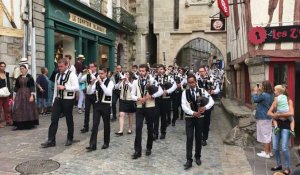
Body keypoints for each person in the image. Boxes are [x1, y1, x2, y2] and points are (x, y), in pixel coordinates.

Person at [41, 58, 79, 148]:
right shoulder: (57, 75)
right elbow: (55, 89)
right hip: (58, 99)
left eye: (61, 66)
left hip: (68, 99)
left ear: (66, 65)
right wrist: (54, 100)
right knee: (54, 119)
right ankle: (51, 140)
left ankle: (70, 138)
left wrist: (65, 88)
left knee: (69, 119)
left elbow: (76, 87)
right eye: (59, 67)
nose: (60, 68)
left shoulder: (72, 75)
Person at [181, 74, 214, 170]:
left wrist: (205, 107)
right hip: (189, 118)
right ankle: (188, 159)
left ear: (196, 82)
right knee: (189, 138)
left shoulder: (202, 91)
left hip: (200, 118)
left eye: (192, 82)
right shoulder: (185, 93)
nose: (191, 84)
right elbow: (184, 106)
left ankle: (198, 156)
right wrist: (193, 113)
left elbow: (211, 101)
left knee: (198, 137)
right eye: (189, 82)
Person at [130, 64, 163, 159]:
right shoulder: (135, 82)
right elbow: (131, 95)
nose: (141, 72)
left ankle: (149, 147)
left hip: (150, 107)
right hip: (140, 107)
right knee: (138, 128)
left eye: (143, 71)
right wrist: (138, 98)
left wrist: (152, 96)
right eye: (140, 71)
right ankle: (137, 151)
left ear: (147, 71)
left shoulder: (152, 80)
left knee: (150, 128)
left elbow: (160, 91)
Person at [86, 67, 114, 151]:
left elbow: (108, 93)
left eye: (102, 73)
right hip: (97, 105)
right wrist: (91, 84)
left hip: (106, 105)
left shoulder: (110, 82)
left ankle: (106, 142)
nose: (100, 75)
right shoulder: (97, 82)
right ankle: (92, 145)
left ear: (106, 73)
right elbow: (89, 92)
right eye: (99, 73)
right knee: (95, 124)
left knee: (106, 125)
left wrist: (101, 83)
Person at [268, 89, 294, 175]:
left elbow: (291, 113)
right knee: (275, 147)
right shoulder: (275, 100)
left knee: (284, 147)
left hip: (286, 125)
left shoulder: (289, 101)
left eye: (275, 91)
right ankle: (279, 165)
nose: (274, 92)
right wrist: (274, 115)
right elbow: (269, 112)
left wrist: (279, 115)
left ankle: (287, 167)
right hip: (277, 126)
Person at [196, 66, 219, 146]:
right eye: (199, 71)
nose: (201, 73)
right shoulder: (197, 80)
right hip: (199, 103)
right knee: (199, 120)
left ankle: (204, 138)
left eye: (202, 71)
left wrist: (213, 91)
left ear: (206, 71)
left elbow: (217, 89)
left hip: (208, 103)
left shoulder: (212, 78)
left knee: (206, 122)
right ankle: (199, 135)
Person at [252, 80, 274, 159]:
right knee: (268, 135)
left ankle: (266, 153)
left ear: (264, 87)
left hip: (263, 116)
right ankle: (269, 151)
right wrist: (260, 91)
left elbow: (255, 100)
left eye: (261, 85)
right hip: (268, 116)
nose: (260, 87)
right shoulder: (271, 94)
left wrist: (255, 92)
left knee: (265, 135)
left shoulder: (264, 95)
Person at [12, 64, 39, 130]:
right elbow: (16, 87)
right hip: (20, 95)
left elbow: (32, 86)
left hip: (28, 94)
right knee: (18, 108)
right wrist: (14, 95)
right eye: (21, 69)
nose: (22, 70)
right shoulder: (19, 77)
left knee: (28, 109)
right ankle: (19, 125)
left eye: (23, 68)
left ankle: (29, 124)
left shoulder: (30, 77)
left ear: (26, 69)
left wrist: (32, 96)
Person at [154, 64, 177, 140]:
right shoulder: (155, 78)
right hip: (157, 99)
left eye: (161, 69)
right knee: (156, 116)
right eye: (159, 69)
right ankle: (155, 133)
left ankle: (163, 132)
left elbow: (175, 86)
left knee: (164, 116)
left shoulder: (169, 77)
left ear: (164, 70)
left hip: (165, 99)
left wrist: (167, 91)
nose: (160, 71)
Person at [115, 71, 135, 136]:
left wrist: (128, 81)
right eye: (125, 74)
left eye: (127, 74)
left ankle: (130, 128)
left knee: (130, 115)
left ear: (130, 76)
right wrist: (120, 81)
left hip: (130, 100)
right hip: (123, 100)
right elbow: (116, 87)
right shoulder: (122, 81)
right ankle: (121, 130)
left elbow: (132, 88)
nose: (126, 75)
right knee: (121, 114)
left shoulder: (133, 82)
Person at [79, 62, 98, 133]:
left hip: (95, 95)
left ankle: (94, 127)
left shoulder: (98, 74)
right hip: (88, 95)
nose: (91, 68)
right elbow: (80, 80)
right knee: (86, 111)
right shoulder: (87, 75)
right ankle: (85, 126)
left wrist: (91, 74)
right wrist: (84, 73)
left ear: (95, 67)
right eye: (90, 67)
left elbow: (95, 79)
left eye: (92, 67)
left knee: (95, 112)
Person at [0, 62, 12, 127]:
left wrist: (10, 95)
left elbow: (8, 84)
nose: (3, 67)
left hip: (6, 93)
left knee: (7, 109)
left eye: (4, 66)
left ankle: (8, 121)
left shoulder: (6, 74)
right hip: (0, 94)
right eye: (1, 66)